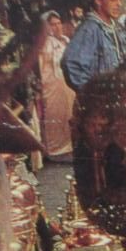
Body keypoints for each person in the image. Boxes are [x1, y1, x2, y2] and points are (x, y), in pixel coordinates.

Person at [61, 0, 126, 91]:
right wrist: (92, 93)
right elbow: (71, 63)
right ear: (98, 0)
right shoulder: (90, 29)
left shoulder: (117, 28)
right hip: (102, 103)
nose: (119, 4)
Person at [37, 10, 74, 159]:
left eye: (59, 24)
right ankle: (54, 148)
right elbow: (40, 66)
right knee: (54, 115)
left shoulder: (65, 40)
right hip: (51, 85)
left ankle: (68, 145)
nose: (57, 27)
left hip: (65, 85)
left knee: (68, 113)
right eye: (53, 24)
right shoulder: (44, 44)